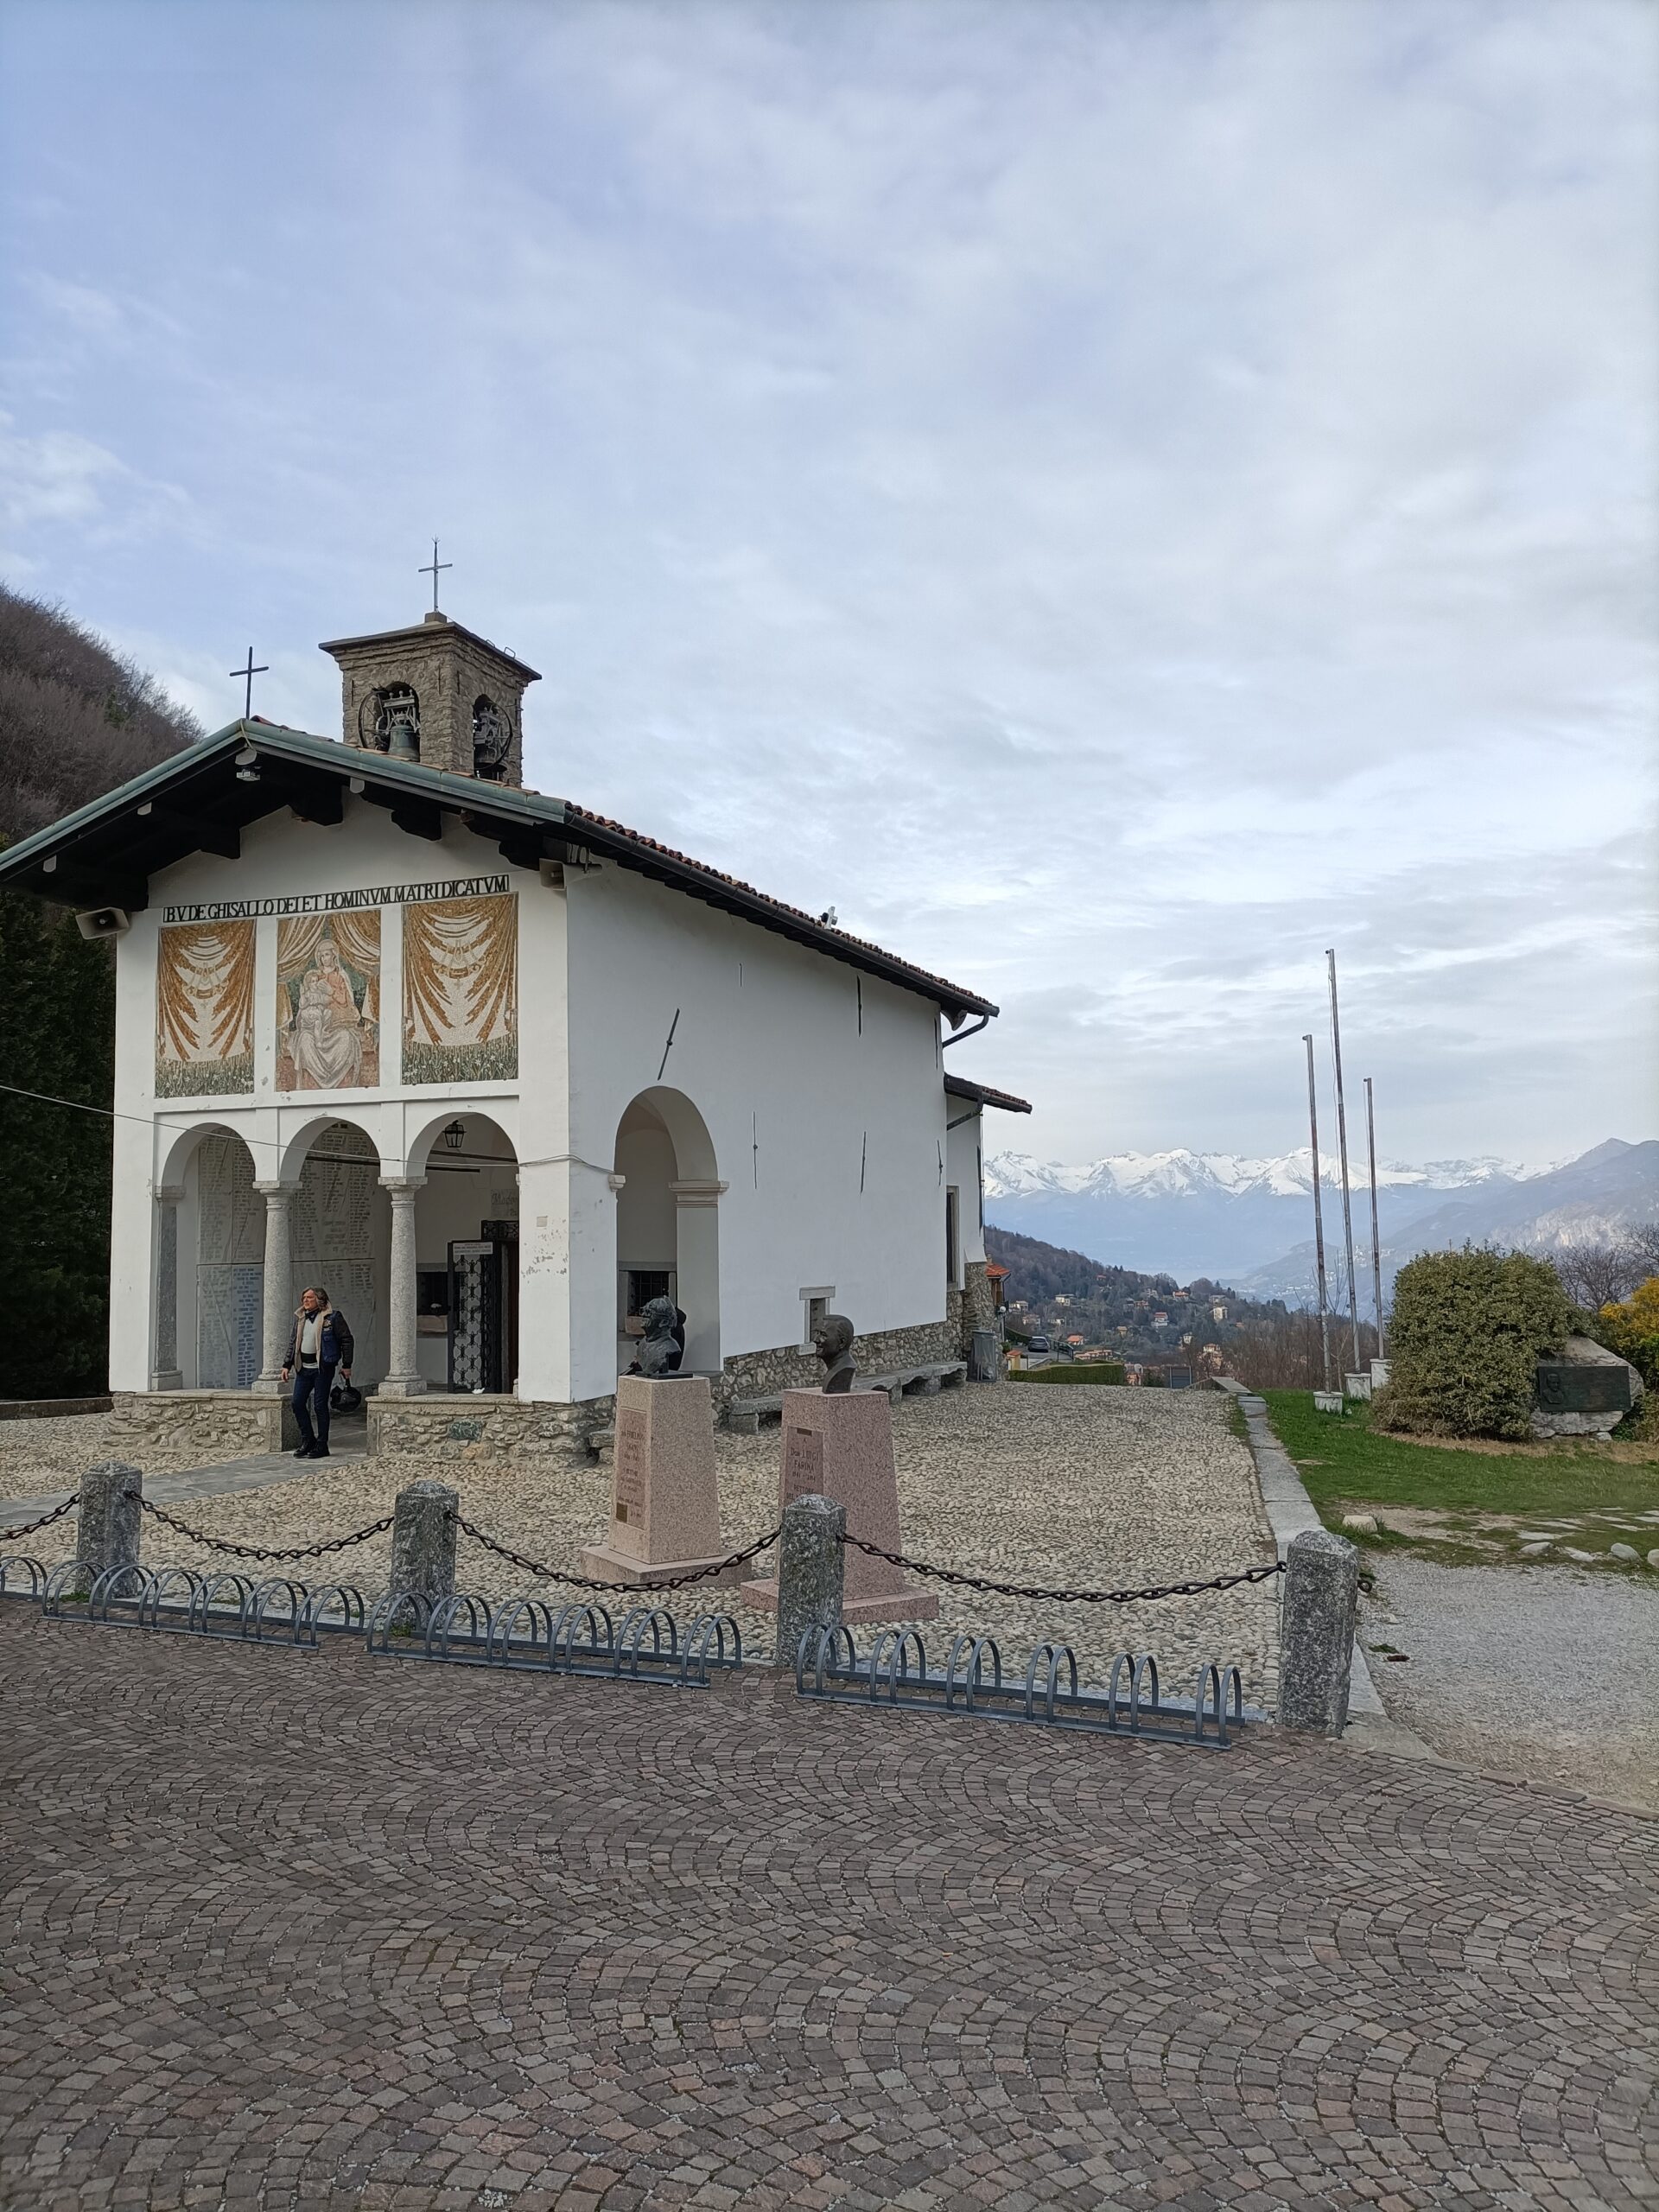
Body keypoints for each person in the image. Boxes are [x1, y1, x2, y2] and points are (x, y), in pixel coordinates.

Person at [281, 1285, 354, 1459]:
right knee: (297, 1403)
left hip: (323, 1368)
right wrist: (286, 1364)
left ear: (320, 1300)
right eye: (304, 1298)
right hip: (303, 1368)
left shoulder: (332, 1317)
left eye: (310, 1298)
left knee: (320, 1405)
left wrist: (347, 1364)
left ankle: (322, 1444)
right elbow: (294, 1342)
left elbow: (346, 1340)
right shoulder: (300, 1318)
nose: (305, 1301)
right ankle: (308, 1439)